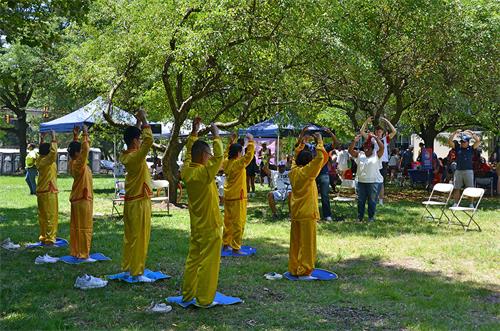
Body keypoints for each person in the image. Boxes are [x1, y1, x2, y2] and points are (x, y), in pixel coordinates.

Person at [180, 118, 224, 308]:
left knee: (193, 260)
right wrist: (216, 135)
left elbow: (189, 154)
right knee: (209, 262)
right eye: (208, 155)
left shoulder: (187, 171)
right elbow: (219, 157)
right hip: (210, 225)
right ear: (205, 155)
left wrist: (194, 132)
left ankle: (188, 294)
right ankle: (204, 299)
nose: (209, 157)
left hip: (197, 225)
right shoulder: (204, 173)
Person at [120, 110, 154, 282]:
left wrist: (138, 123)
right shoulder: (136, 157)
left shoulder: (126, 155)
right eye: (138, 139)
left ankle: (128, 268)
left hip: (131, 201)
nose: (141, 141)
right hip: (140, 201)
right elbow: (149, 140)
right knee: (140, 237)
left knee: (130, 236)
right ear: (135, 141)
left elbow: (139, 140)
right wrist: (145, 120)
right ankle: (138, 272)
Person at [288, 132, 328, 279]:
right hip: (307, 213)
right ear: (308, 163)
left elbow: (294, 159)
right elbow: (320, 158)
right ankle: (305, 271)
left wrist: (301, 144)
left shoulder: (293, 171)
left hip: (296, 213)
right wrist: (319, 142)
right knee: (308, 245)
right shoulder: (308, 172)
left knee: (296, 243)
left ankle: (294, 268)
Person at [222, 132, 255, 254]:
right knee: (238, 223)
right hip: (238, 197)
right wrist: (251, 142)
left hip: (228, 196)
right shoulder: (238, 163)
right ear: (238, 153)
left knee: (228, 222)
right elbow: (249, 156)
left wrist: (231, 142)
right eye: (241, 152)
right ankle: (236, 247)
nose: (242, 154)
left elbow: (225, 154)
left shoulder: (226, 163)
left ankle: (226, 244)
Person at [67, 125, 94, 260]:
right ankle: (83, 253)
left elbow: (78, 149)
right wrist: (85, 133)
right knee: (84, 228)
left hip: (77, 199)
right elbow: (85, 149)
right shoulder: (79, 163)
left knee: (76, 228)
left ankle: (76, 251)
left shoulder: (73, 162)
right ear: (77, 153)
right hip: (83, 200)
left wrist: (75, 136)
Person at [361, 116, 397, 205]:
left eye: (380, 131)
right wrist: (366, 121)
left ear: (383, 132)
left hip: (383, 163)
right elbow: (362, 132)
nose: (378, 132)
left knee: (381, 182)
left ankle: (381, 201)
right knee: (372, 181)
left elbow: (394, 131)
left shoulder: (385, 139)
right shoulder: (372, 139)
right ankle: (373, 199)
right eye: (377, 131)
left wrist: (387, 121)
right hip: (374, 163)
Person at [348, 134, 384, 222]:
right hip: (361, 182)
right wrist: (354, 141)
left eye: (368, 148)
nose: (366, 149)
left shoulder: (376, 155)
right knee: (361, 201)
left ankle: (371, 218)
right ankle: (360, 217)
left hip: (374, 182)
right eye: (364, 147)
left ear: (372, 148)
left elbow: (382, 148)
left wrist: (376, 138)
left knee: (372, 201)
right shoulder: (360, 155)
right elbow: (350, 151)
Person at [36, 130, 59, 245]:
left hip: (41, 192)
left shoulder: (40, 160)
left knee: (43, 216)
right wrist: (53, 138)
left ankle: (44, 236)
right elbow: (53, 153)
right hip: (48, 192)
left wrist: (42, 139)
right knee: (51, 216)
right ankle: (50, 239)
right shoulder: (47, 161)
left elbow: (43, 151)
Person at [448, 129, 481, 207]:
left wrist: (472, 133)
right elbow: (449, 141)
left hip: (468, 171)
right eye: (462, 142)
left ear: (468, 142)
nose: (462, 143)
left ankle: (471, 204)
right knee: (457, 188)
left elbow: (478, 141)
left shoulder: (471, 148)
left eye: (464, 142)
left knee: (470, 189)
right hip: (458, 171)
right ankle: (456, 203)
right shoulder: (457, 148)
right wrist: (455, 133)